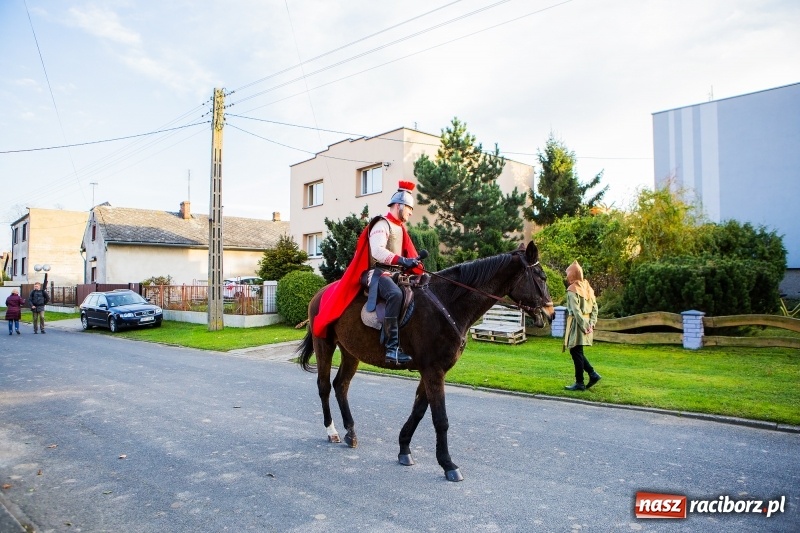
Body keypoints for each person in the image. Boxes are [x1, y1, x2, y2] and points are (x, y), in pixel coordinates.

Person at [311, 180, 424, 365]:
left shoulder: (400, 228)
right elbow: (378, 252)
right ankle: (392, 349)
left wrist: (411, 263)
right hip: (377, 274)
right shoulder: (382, 224)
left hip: (394, 274)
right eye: (409, 208)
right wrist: (403, 260)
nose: (411, 213)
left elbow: (404, 254)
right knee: (395, 295)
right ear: (399, 206)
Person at [563, 260, 602, 391]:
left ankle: (581, 382)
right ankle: (592, 374)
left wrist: (585, 326)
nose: (567, 277)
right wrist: (591, 323)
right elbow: (595, 309)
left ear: (572, 274)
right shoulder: (588, 288)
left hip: (578, 324)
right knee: (577, 351)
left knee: (576, 351)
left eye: (568, 274)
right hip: (586, 324)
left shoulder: (572, 290)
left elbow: (576, 311)